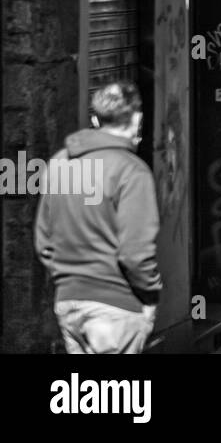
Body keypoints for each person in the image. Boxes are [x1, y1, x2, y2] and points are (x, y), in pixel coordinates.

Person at [35, 81, 161, 354]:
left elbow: (44, 241)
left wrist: (67, 278)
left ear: (95, 118)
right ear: (137, 119)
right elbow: (135, 252)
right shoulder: (131, 171)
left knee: (87, 395)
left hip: (69, 302)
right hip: (116, 303)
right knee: (115, 396)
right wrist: (151, 295)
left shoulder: (59, 163)